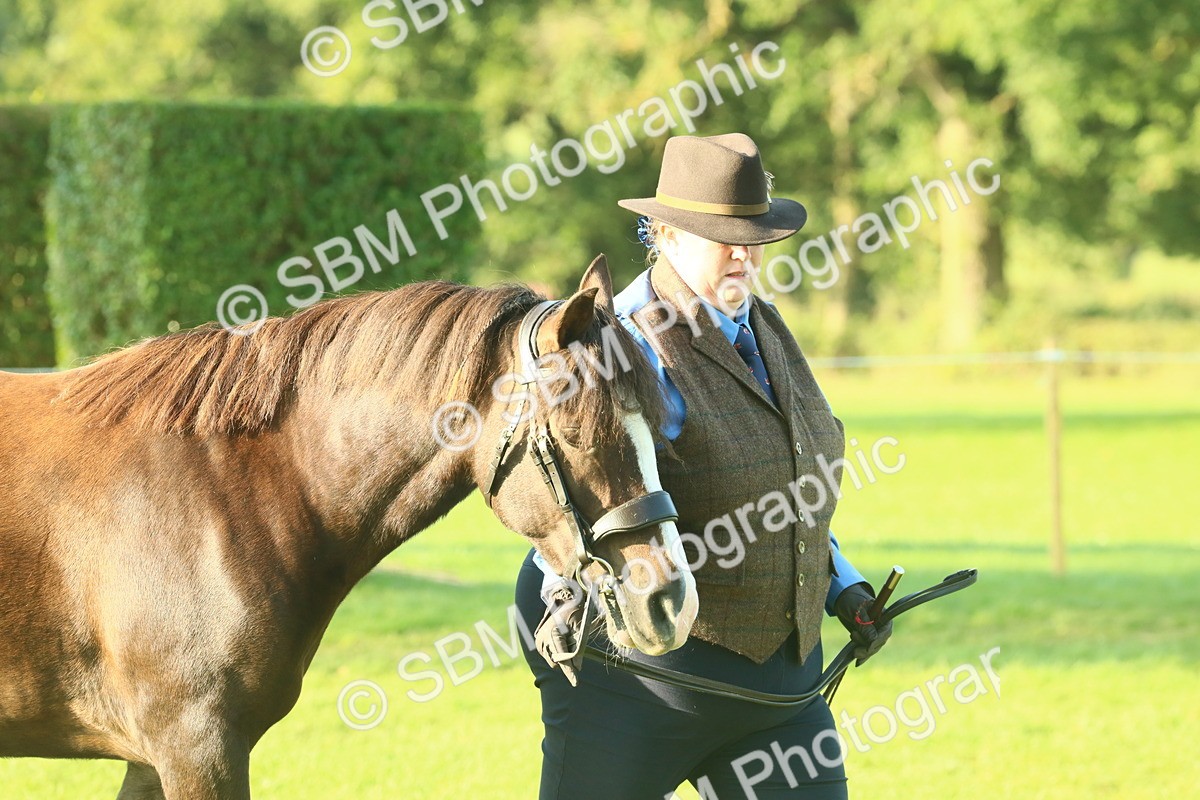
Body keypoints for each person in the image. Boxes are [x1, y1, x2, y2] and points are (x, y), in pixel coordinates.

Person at [514, 133, 892, 800]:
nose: (745, 252)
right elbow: (572, 493)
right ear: (670, 236)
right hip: (638, 683)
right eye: (726, 236)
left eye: (755, 233)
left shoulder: (765, 329)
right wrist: (557, 595)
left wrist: (844, 587)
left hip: (777, 689)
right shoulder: (619, 344)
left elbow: (781, 488)